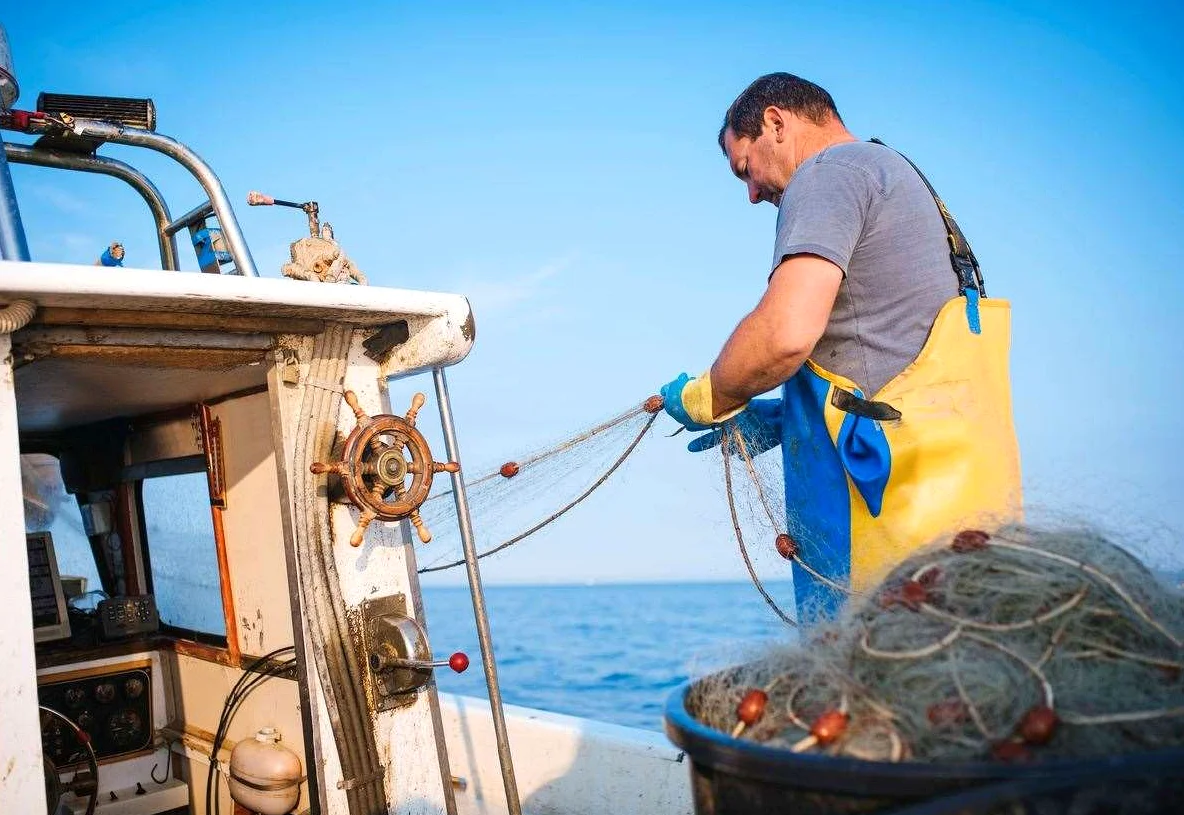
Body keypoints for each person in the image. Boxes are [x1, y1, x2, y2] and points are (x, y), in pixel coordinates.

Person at [661, 73, 1022, 622]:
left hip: (893, 533)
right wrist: (789, 420)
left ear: (775, 124)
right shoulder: (893, 174)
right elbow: (896, 355)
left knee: (879, 694)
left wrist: (711, 394)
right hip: (970, 522)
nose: (752, 194)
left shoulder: (827, 174)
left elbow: (783, 334)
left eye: (745, 170)